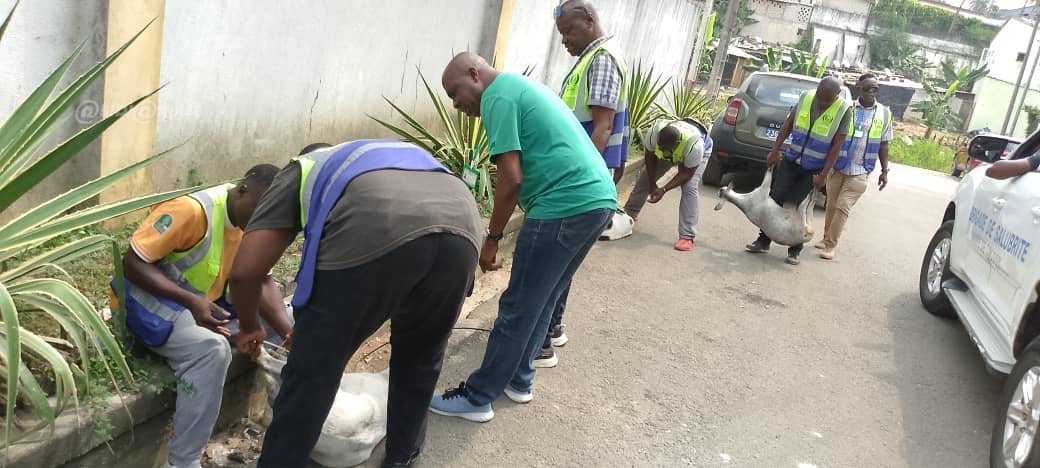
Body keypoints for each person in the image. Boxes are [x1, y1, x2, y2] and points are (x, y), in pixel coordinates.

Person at [229, 141, 483, 468]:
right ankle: (402, 459)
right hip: (463, 223)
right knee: (420, 358)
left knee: (313, 370)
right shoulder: (373, 157)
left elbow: (247, 272)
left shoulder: (300, 170)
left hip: (377, 223)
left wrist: (250, 326)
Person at [429, 52, 616, 422]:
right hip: (597, 200)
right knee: (543, 298)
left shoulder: (498, 95)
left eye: (456, 92)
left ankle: (478, 396)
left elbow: (510, 180)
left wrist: (492, 237)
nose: (455, 103)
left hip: (563, 204)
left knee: (517, 305)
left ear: (474, 73)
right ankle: (519, 380)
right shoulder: (518, 86)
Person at [112, 165, 291, 468]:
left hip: (200, 304)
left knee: (287, 324)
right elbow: (131, 264)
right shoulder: (191, 211)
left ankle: (282, 430)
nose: (262, 221)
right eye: (260, 209)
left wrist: (288, 331)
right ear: (243, 189)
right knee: (212, 351)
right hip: (146, 304)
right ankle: (183, 462)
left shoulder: (257, 224)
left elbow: (261, 280)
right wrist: (191, 301)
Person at [536, 0, 630, 367]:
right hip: (586, 181)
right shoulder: (593, 58)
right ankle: (554, 327)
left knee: (554, 260)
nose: (564, 41)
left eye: (569, 32)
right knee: (565, 260)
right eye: (561, 34)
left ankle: (541, 341)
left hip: (581, 184)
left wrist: (577, 178)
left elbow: (602, 128)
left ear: (590, 20)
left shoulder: (602, 59)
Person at [745, 76, 852, 265]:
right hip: (791, 159)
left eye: (827, 99)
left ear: (836, 96)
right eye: (820, 96)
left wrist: (824, 175)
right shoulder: (806, 98)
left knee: (798, 207)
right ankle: (763, 240)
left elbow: (837, 146)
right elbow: (787, 126)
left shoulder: (844, 110)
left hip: (814, 169)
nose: (822, 101)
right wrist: (775, 150)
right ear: (817, 89)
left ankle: (795, 248)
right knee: (776, 198)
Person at [815, 74, 893, 260]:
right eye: (867, 88)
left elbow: (884, 144)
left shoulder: (884, 113)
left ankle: (831, 245)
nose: (871, 92)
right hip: (839, 165)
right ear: (859, 88)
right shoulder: (846, 107)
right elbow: (832, 136)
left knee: (843, 206)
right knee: (832, 205)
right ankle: (826, 238)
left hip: (861, 169)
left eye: (875, 88)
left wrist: (884, 171)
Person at [623, 119, 713, 251]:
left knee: (689, 187)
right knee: (645, 177)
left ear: (675, 145)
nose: (660, 149)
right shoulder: (653, 133)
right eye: (659, 145)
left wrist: (663, 189)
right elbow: (650, 157)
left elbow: (686, 174)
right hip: (674, 150)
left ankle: (687, 235)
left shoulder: (695, 147)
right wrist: (652, 183)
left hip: (698, 154)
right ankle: (630, 212)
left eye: (664, 148)